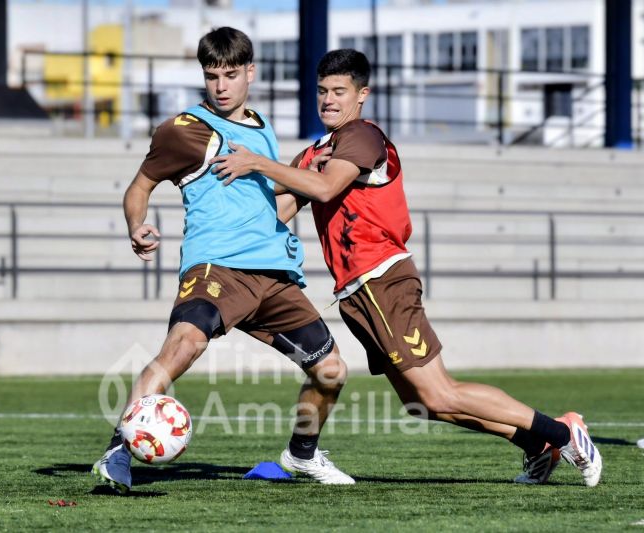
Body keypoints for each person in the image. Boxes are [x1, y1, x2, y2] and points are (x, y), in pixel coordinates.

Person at [210, 48, 603, 487]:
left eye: (339, 91)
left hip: (383, 280)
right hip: (358, 295)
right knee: (427, 405)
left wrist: (258, 162)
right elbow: (281, 207)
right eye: (322, 91)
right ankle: (537, 446)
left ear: (362, 95)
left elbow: (323, 188)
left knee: (440, 390)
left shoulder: (362, 135)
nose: (329, 100)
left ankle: (564, 433)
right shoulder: (318, 150)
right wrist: (219, 220)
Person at [92, 28, 354, 494]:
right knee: (183, 347)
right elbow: (139, 186)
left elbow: (268, 209)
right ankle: (116, 453)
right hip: (217, 267)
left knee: (330, 370)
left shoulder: (261, 127)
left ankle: (302, 456)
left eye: (231, 74)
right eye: (212, 75)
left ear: (250, 73)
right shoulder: (184, 130)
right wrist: (137, 224)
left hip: (273, 276)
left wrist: (304, 185)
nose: (220, 85)